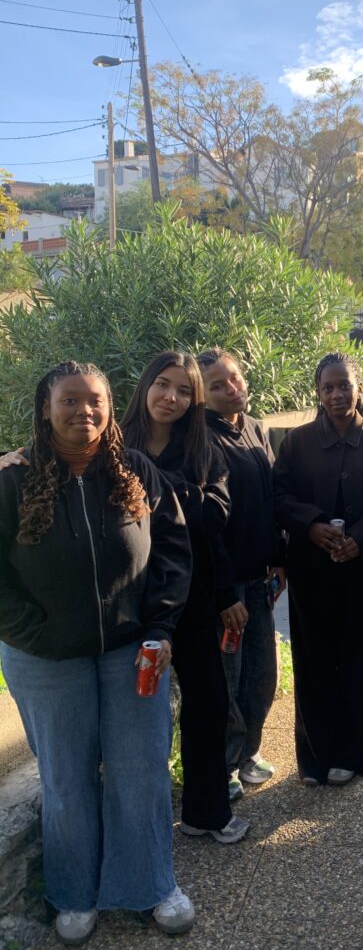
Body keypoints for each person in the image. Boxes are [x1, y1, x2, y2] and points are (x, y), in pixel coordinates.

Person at [0, 361, 195, 945]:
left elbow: (172, 552)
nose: (83, 411)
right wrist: (38, 634)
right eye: (70, 400)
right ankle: (74, 892)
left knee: (141, 771)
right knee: (67, 777)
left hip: (132, 651)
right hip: (46, 659)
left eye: (95, 400)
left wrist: (160, 627)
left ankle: (151, 885)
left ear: (111, 408)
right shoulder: (12, 479)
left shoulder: (134, 470)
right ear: (45, 407)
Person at [121, 351, 249, 845]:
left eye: (182, 390)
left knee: (208, 701)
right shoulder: (113, 443)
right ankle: (138, 825)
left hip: (190, 593)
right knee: (135, 711)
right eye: (162, 384)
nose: (170, 397)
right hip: (127, 598)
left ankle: (205, 812)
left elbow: (214, 518)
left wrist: (149, 480)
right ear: (145, 386)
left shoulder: (202, 449)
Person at [273, 352, 363, 786]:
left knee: (360, 662)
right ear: (318, 392)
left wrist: (360, 540)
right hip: (311, 574)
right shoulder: (296, 443)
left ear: (357, 387)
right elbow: (279, 497)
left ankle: (353, 753)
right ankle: (314, 758)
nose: (336, 394)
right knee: (314, 663)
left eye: (344, 385)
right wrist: (311, 526)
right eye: (327, 387)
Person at [197, 348, 285, 801]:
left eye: (234, 378)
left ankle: (248, 751)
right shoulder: (199, 439)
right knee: (226, 681)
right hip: (225, 587)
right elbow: (206, 528)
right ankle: (225, 763)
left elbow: (270, 500)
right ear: (201, 395)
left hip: (258, 581)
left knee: (261, 675)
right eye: (217, 385)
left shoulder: (253, 428)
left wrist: (279, 557)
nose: (232, 389)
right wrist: (224, 594)